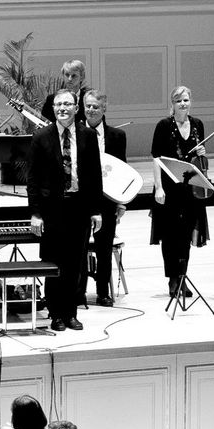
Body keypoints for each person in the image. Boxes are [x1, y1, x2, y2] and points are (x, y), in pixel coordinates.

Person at [27, 88, 102, 332]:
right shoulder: (41, 137)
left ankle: (71, 312)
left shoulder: (88, 136)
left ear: (76, 108)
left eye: (67, 104)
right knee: (53, 263)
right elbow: (33, 179)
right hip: (52, 210)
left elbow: (94, 176)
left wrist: (96, 210)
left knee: (75, 264)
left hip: (78, 207)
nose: (62, 108)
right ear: (53, 108)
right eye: (58, 104)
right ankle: (55, 313)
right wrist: (36, 213)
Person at [150, 85, 209, 299]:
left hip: (190, 188)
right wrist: (158, 187)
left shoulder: (197, 125)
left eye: (186, 100)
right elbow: (157, 158)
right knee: (170, 235)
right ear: (172, 105)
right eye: (178, 101)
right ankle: (172, 279)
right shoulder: (164, 125)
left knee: (186, 235)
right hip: (169, 187)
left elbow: (199, 160)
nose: (183, 104)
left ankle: (183, 276)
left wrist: (203, 152)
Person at [82, 89, 127, 307]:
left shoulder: (117, 136)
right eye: (88, 106)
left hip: (107, 199)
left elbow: (122, 170)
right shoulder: (75, 133)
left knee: (104, 248)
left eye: (95, 107)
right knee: (79, 248)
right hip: (81, 199)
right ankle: (78, 292)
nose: (91, 110)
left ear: (104, 109)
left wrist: (121, 202)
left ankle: (102, 293)